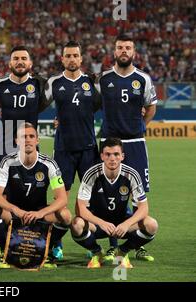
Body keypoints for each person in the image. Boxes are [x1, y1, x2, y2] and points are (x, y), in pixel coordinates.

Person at [95, 34, 157, 261]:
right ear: (114, 51)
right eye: (120, 47)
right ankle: (113, 244)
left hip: (135, 143)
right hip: (110, 142)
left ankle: (136, 243)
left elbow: (151, 107)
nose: (124, 51)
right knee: (109, 193)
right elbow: (87, 104)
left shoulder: (143, 79)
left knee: (137, 195)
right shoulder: (102, 79)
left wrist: (141, 127)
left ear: (134, 52)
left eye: (127, 47)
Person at [0, 45, 50, 256]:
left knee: (34, 194)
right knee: (1, 196)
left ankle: (35, 242)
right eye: (16, 58)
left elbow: (52, 104)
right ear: (10, 63)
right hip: (4, 146)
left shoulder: (38, 84)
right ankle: (6, 245)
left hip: (29, 145)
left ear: (30, 63)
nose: (20, 61)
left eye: (24, 58)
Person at [0, 123, 71, 268]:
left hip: (39, 214)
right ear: (16, 141)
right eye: (23, 137)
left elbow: (62, 198)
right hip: (14, 214)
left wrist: (40, 213)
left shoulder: (49, 163)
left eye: (31, 136)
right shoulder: (7, 162)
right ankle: (6, 251)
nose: (28, 140)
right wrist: (15, 210)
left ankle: (47, 252)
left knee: (66, 215)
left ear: (37, 140)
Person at [45, 41, 101, 260]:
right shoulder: (54, 83)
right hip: (63, 151)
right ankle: (56, 244)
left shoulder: (90, 83)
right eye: (67, 55)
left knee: (88, 201)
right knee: (60, 200)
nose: (71, 59)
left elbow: (105, 105)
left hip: (88, 150)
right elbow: (37, 104)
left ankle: (89, 242)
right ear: (62, 59)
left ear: (81, 59)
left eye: (75, 55)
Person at [70, 137, 158, 269]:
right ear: (102, 156)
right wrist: (102, 223)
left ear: (122, 156)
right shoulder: (91, 174)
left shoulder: (131, 174)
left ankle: (122, 252)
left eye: (116, 154)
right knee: (76, 225)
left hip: (122, 224)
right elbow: (81, 209)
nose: (112, 158)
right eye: (108, 154)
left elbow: (143, 208)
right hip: (98, 224)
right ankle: (97, 253)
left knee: (151, 225)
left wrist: (126, 224)